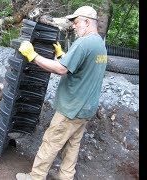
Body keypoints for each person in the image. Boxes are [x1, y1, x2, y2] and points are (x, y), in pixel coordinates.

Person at [15, 5, 107, 180]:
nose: (73, 25)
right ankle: (66, 176)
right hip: (86, 108)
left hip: (72, 107)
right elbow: (83, 68)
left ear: (87, 22)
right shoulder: (100, 44)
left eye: (76, 22)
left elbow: (61, 70)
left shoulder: (84, 42)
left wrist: (32, 55)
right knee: (72, 145)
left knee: (51, 142)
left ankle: (35, 177)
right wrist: (62, 55)